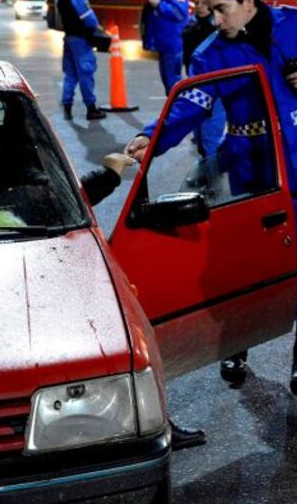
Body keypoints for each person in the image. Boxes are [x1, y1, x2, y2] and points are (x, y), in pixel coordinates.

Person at [124, 0, 297, 397]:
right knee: (245, 264)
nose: (216, 19)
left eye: (222, 10)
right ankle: (238, 342)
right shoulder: (210, 54)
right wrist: (149, 138)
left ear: (250, 2)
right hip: (252, 173)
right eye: (209, 10)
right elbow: (188, 105)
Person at [79, 153, 208, 451]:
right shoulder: (22, 174)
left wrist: (109, 174)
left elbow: (63, 196)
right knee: (128, 338)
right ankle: (135, 430)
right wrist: (109, 173)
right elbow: (53, 198)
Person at [135, 0, 190, 96]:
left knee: (174, 84)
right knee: (168, 83)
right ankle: (172, 113)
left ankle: (177, 113)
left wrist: (159, 5)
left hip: (172, 42)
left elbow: (179, 13)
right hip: (163, 42)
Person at [57, 0, 105, 121]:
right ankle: (91, 109)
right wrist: (97, 27)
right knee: (86, 72)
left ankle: (67, 106)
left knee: (70, 74)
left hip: (69, 38)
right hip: (81, 40)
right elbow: (90, 20)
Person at [182, 0, 226, 158]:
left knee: (210, 136)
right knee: (200, 133)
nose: (198, 6)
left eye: (203, 3)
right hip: (196, 84)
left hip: (213, 88)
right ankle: (207, 171)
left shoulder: (217, 29)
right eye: (197, 2)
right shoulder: (191, 26)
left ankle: (213, 177)